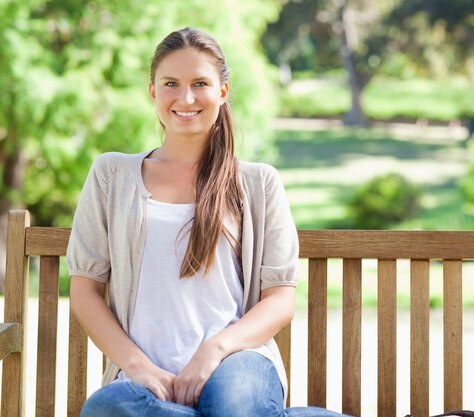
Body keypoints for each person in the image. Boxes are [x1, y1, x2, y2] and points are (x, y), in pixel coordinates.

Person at [67, 27, 353, 417]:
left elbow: (280, 299)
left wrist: (213, 350)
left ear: (222, 91)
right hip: (143, 378)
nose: (185, 98)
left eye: (200, 83)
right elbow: (85, 292)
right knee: (107, 409)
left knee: (236, 407)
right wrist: (136, 366)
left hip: (236, 362)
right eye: (171, 83)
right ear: (153, 90)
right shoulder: (111, 175)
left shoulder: (258, 183)